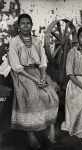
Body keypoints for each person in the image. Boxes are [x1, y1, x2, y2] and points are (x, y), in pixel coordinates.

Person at [8, 14, 59, 149]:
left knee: (50, 94)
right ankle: (30, 133)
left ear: (32, 25)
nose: (26, 26)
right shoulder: (14, 42)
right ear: (18, 26)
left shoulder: (36, 41)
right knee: (31, 96)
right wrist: (35, 80)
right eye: (23, 23)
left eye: (28, 23)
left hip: (37, 71)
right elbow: (16, 66)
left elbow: (42, 61)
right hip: (22, 73)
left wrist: (42, 77)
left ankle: (51, 128)